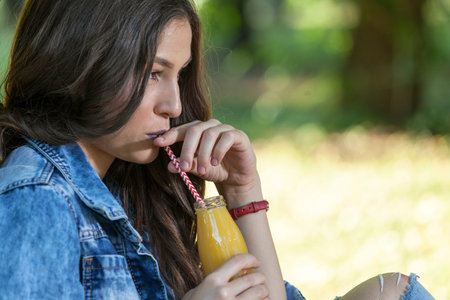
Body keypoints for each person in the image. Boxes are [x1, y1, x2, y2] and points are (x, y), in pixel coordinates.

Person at [0, 1, 435, 299]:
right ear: (83, 63)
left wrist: (244, 194)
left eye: (180, 74)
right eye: (154, 73)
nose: (173, 106)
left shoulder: (129, 183)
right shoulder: (38, 199)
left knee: (396, 289)